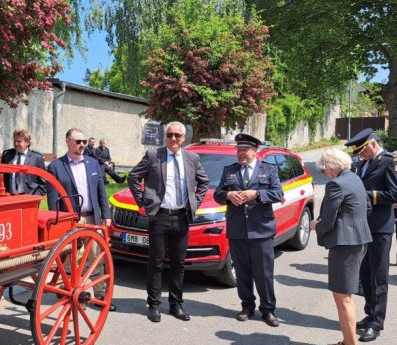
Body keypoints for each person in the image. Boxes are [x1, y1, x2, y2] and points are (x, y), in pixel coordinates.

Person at [128, 121, 209, 323]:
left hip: (182, 217)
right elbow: (133, 177)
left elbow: (204, 182)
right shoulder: (153, 155)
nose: (173, 139)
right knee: (155, 262)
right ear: (165, 136)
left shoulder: (192, 158)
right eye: (170, 135)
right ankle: (154, 305)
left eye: (177, 136)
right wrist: (144, 202)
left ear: (184, 138)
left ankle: (176, 304)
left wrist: (195, 202)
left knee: (178, 264)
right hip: (160, 216)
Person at [214, 133, 283, 327]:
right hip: (237, 229)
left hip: (261, 230)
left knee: (263, 273)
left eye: (245, 150)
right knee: (242, 272)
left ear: (255, 151)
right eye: (239, 149)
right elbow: (218, 194)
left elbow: (278, 193)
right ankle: (247, 306)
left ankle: (268, 309)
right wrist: (228, 194)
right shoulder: (230, 170)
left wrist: (257, 194)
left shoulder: (268, 170)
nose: (240, 153)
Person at [310, 148, 372, 345]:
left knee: (343, 298)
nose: (324, 172)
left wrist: (315, 226)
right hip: (357, 240)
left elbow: (327, 220)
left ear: (331, 166)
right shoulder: (354, 178)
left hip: (345, 245)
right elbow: (367, 209)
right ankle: (347, 341)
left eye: (324, 167)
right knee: (345, 297)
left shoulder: (336, 184)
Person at [46, 128, 116, 311]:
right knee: (70, 259)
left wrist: (106, 216)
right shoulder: (56, 166)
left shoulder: (93, 164)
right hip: (70, 220)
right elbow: (53, 200)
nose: (82, 145)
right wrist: (57, 221)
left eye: (83, 141)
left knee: (95, 257)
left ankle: (101, 296)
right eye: (78, 141)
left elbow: (101, 192)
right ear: (68, 142)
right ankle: (72, 296)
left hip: (92, 217)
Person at [345, 128, 397, 342]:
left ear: (372, 144)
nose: (361, 156)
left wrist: (366, 195)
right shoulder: (363, 164)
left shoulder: (391, 162)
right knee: (364, 274)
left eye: (362, 151)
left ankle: (377, 323)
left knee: (379, 276)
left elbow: (396, 194)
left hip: (380, 227)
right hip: (362, 226)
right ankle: (370, 313)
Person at [0, 129, 46, 195]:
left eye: (19, 141)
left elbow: (43, 182)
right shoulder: (7, 155)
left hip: (28, 198)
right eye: (15, 141)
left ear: (27, 143)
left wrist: (35, 196)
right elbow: (2, 176)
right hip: (9, 197)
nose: (16, 144)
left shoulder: (36, 158)